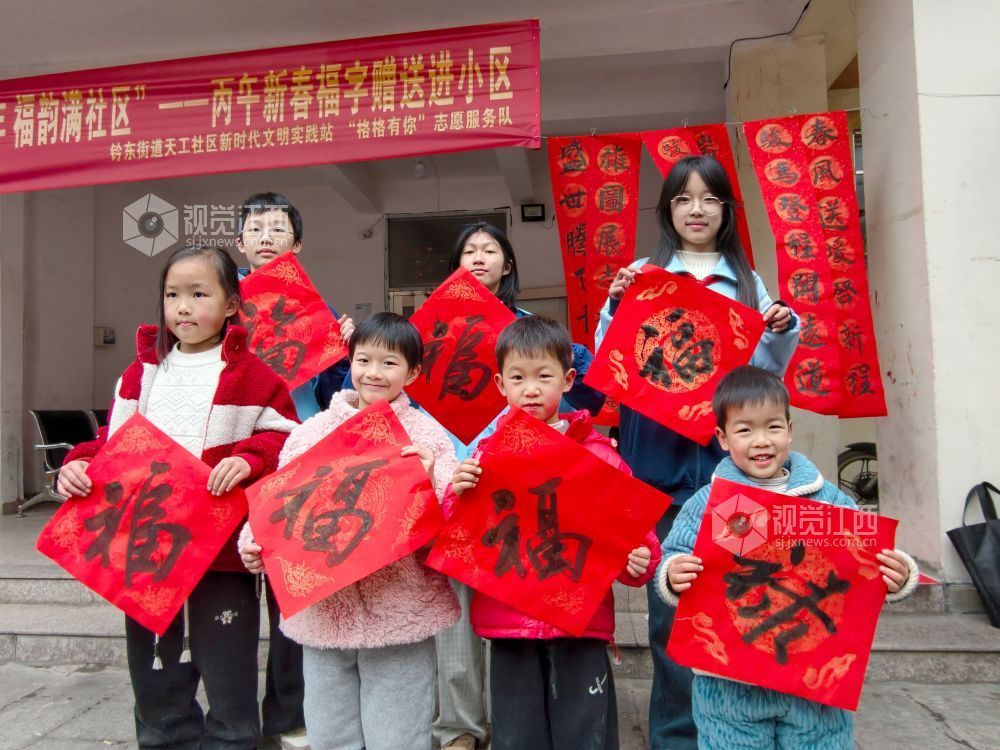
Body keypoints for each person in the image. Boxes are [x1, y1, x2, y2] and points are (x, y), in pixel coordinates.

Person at [595, 155, 801, 750]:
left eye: (709, 199)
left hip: (725, 464)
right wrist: (613, 305)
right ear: (667, 211)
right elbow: (611, 364)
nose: (696, 210)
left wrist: (780, 330)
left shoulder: (749, 283)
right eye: (683, 199)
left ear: (726, 211)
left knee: (736, 602)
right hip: (656, 460)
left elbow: (759, 380)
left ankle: (735, 731)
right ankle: (676, 738)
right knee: (670, 610)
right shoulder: (642, 273)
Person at [57, 245, 299, 749]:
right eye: (172, 295)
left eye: (198, 294)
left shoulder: (256, 377)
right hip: (146, 548)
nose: (183, 307)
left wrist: (250, 458)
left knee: (227, 666)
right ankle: (164, 738)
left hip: (220, 551)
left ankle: (233, 739)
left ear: (232, 303)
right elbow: (111, 443)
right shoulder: (141, 374)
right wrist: (78, 464)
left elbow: (284, 439)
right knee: (155, 671)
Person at [654, 366, 918, 750]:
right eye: (745, 430)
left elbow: (866, 556)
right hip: (731, 686)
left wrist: (897, 574)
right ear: (723, 438)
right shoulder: (711, 503)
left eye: (773, 427)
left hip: (813, 686)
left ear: (790, 430)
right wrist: (672, 574)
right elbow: (673, 555)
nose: (761, 441)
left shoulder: (826, 498)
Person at [239, 312, 461, 750]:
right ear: (350, 361)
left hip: (398, 606)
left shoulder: (427, 436)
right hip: (324, 607)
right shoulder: (312, 432)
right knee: (330, 732)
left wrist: (428, 485)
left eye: (389, 363)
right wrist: (254, 544)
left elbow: (451, 518)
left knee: (398, 734)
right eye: (364, 360)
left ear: (413, 372)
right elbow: (280, 501)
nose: (374, 373)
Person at [445, 316, 661, 750]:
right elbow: (458, 533)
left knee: (585, 734)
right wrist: (456, 492)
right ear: (499, 384)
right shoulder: (486, 457)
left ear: (568, 380)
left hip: (580, 627)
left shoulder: (599, 457)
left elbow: (638, 538)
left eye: (544, 376)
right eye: (518, 378)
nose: (531, 389)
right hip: (508, 625)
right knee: (517, 735)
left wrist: (639, 560)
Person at [433, 222, 607, 750]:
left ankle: (541, 721)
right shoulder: (438, 329)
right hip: (464, 476)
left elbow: (588, 391)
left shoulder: (532, 328)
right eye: (469, 250)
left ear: (508, 264)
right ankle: (462, 726)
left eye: (490, 249)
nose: (479, 256)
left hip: (530, 483)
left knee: (528, 599)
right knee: (460, 614)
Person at [236, 191, 354, 750]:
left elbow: (335, 396)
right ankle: (233, 719)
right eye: (255, 228)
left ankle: (287, 716)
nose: (265, 236)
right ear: (240, 241)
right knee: (231, 593)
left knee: (292, 590)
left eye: (277, 228)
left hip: (296, 457)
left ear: (297, 243)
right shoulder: (222, 301)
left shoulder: (316, 310)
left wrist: (343, 353)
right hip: (231, 458)